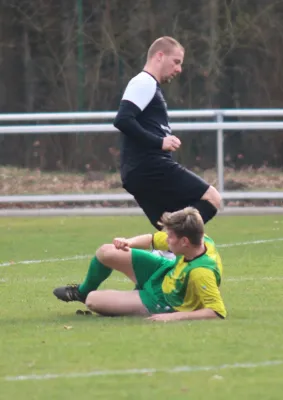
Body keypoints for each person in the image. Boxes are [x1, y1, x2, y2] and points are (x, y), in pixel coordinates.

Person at [113, 36, 221, 230]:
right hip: (150, 166)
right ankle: (184, 246)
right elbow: (123, 120)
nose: (179, 69)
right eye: (176, 62)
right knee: (211, 198)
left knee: (168, 225)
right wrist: (159, 142)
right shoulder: (144, 82)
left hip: (138, 172)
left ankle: (172, 252)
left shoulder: (150, 86)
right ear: (160, 56)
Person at [53, 207, 226, 322]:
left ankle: (128, 298)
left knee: (93, 301)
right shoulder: (200, 240)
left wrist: (174, 317)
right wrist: (127, 242)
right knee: (107, 251)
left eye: (170, 236)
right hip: (162, 271)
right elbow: (151, 239)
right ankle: (82, 292)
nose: (166, 239)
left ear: (185, 242)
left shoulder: (201, 272)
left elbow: (216, 312)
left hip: (161, 301)